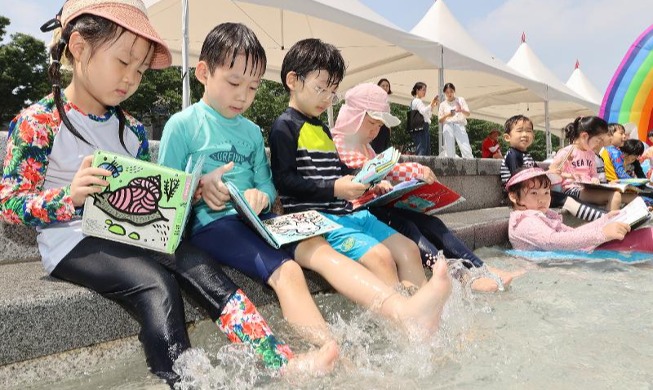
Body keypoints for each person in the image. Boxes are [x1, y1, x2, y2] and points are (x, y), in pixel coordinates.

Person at [0, 1, 335, 386]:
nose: (131, 78)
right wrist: (69, 198)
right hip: (71, 240)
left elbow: (154, 198)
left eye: (140, 70)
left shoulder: (134, 130)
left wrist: (195, 190)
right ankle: (183, 381)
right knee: (155, 284)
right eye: (123, 62)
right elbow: (10, 203)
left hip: (131, 230)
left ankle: (277, 360)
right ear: (78, 46)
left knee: (199, 265)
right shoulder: (39, 122)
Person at [158, 25, 452, 344]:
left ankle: (403, 312)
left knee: (321, 250)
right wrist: (199, 186)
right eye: (234, 82)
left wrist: (261, 196)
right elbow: (165, 197)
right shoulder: (183, 125)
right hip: (213, 223)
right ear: (203, 72)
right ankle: (327, 346)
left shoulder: (251, 132)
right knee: (292, 272)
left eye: (254, 87)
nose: (243, 95)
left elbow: (269, 187)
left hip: (264, 220)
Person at [269, 38, 444, 293]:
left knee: (408, 249)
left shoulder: (322, 129)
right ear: (293, 81)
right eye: (321, 89)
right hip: (320, 220)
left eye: (332, 92)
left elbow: (338, 169)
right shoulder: (284, 126)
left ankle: (422, 316)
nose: (328, 99)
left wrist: (368, 181)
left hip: (350, 214)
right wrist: (334, 189)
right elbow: (284, 181)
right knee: (381, 258)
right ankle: (403, 319)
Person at [332, 83, 522, 292]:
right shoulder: (339, 141)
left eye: (379, 126)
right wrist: (407, 172)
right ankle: (457, 274)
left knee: (433, 224)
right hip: (359, 213)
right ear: (353, 117)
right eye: (371, 123)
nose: (375, 131)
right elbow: (373, 170)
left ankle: (480, 267)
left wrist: (411, 174)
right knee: (409, 229)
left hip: (377, 207)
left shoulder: (364, 145)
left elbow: (383, 168)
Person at [506, 167, 653, 253]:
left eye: (546, 192)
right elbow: (553, 241)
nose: (542, 199)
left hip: (568, 255)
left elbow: (572, 233)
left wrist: (604, 220)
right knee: (645, 238)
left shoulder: (539, 216)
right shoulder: (526, 221)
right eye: (534, 193)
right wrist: (602, 233)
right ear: (513, 196)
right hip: (557, 263)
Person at [500, 115, 605, 222]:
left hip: (532, 192)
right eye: (520, 131)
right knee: (567, 200)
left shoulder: (525, 155)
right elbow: (518, 180)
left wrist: (552, 173)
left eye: (528, 131)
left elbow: (538, 176)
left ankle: (600, 216)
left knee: (569, 199)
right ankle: (601, 217)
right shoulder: (512, 155)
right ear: (507, 137)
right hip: (519, 195)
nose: (525, 134)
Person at [550, 116, 636, 211]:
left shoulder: (591, 154)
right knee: (615, 196)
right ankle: (609, 223)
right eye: (598, 140)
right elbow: (552, 173)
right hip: (571, 190)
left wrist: (595, 179)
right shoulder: (566, 152)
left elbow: (594, 174)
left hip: (589, 188)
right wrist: (567, 175)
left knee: (633, 197)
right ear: (584, 136)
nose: (599, 143)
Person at [438, 83, 473, 159]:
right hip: (448, 125)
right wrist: (448, 115)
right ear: (445, 93)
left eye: (451, 91)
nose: (449, 94)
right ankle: (451, 168)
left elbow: (468, 113)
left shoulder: (460, 100)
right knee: (449, 150)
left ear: (454, 91)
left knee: (466, 148)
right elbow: (440, 120)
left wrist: (460, 110)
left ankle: (470, 166)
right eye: (447, 92)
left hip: (459, 124)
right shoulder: (442, 104)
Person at [408, 82, 438, 156]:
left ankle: (422, 166)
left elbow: (427, 116)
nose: (425, 92)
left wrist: (432, 106)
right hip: (421, 128)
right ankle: (420, 166)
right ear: (417, 90)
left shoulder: (418, 101)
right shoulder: (417, 101)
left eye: (425, 90)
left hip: (422, 127)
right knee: (422, 150)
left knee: (425, 150)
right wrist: (431, 104)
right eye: (423, 90)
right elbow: (423, 111)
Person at [369, 78, 392, 154]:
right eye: (383, 86)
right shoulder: (375, 98)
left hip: (385, 127)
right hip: (377, 125)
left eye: (387, 86)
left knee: (384, 149)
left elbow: (388, 116)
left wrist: (389, 128)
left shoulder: (387, 100)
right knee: (376, 149)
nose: (385, 87)